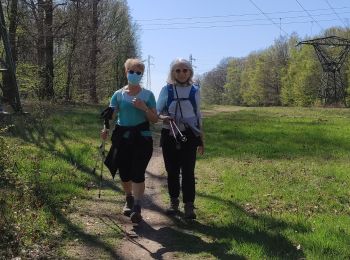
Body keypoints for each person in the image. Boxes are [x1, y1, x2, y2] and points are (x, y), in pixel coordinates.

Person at [101, 58, 158, 223]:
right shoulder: (118, 94)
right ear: (126, 72)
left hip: (142, 138)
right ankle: (129, 199)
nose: (134, 74)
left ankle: (138, 207)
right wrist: (105, 129)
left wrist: (144, 108)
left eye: (138, 72)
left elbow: (155, 119)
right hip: (122, 138)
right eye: (131, 71)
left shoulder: (148, 95)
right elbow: (110, 116)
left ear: (142, 74)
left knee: (138, 172)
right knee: (125, 172)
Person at [157, 58, 204, 219]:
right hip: (169, 135)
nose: (182, 73)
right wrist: (164, 117)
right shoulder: (166, 90)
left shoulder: (195, 90)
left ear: (190, 72)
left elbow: (198, 116)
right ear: (172, 72)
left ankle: (189, 206)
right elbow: (158, 112)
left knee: (188, 172)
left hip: (189, 135)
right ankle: (173, 202)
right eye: (178, 70)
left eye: (185, 70)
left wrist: (201, 139)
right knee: (172, 171)